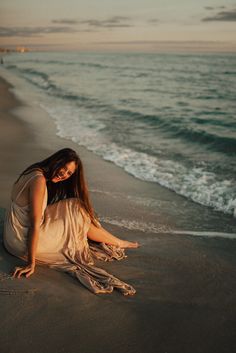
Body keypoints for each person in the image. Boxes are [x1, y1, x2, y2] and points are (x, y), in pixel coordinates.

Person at [3, 148, 139, 295]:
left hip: (12, 233)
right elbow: (35, 225)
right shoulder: (39, 181)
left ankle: (113, 240)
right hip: (21, 240)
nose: (64, 175)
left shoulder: (35, 171)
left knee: (76, 207)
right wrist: (31, 263)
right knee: (78, 208)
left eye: (69, 173)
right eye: (64, 168)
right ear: (56, 161)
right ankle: (118, 242)